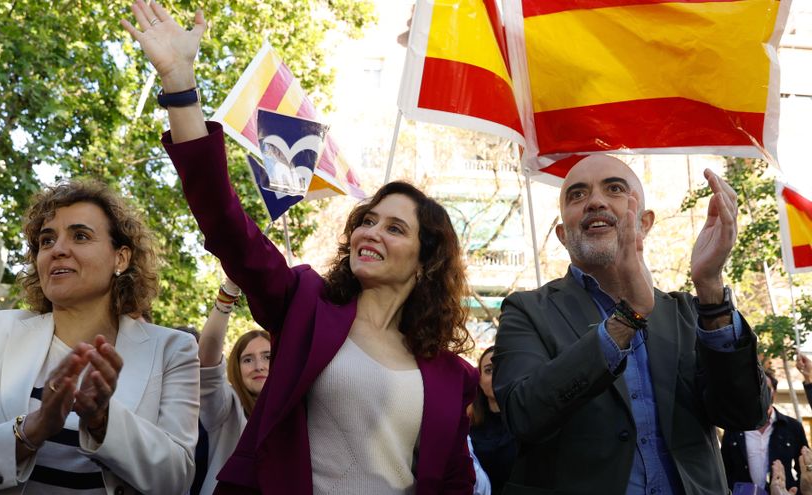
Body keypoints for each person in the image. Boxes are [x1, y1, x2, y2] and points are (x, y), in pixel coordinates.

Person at [121, 2, 478, 494]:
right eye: (367, 220)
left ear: (427, 260)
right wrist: (181, 86)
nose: (371, 232)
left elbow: (453, 481)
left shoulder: (450, 374)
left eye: (395, 228)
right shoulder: (305, 303)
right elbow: (226, 223)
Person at [492, 154, 770, 494]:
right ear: (563, 234)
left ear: (645, 222)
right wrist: (627, 319)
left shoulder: (688, 312)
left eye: (614, 188)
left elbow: (744, 414)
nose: (595, 201)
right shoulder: (527, 311)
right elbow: (524, 416)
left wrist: (710, 287)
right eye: (577, 195)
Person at [0, 179, 200, 494]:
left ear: (121, 258)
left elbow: (176, 480)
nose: (58, 250)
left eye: (81, 236)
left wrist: (102, 421)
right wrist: (30, 431)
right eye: (46, 241)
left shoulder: (173, 350)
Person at [193, 277, 270, 495]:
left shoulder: (300, 410)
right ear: (236, 368)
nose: (258, 366)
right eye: (247, 359)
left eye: (268, 356)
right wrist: (229, 291)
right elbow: (207, 358)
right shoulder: (226, 408)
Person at [722, 369, 808, 493]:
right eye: (754, 389)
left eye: (765, 389)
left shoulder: (792, 427)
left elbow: (804, 469)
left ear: (774, 392)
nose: (760, 394)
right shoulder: (734, 428)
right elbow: (725, 469)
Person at [469, 347, 517, 495]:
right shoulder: (468, 428)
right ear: (480, 379)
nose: (496, 376)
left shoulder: (527, 422)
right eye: (489, 370)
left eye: (502, 369)